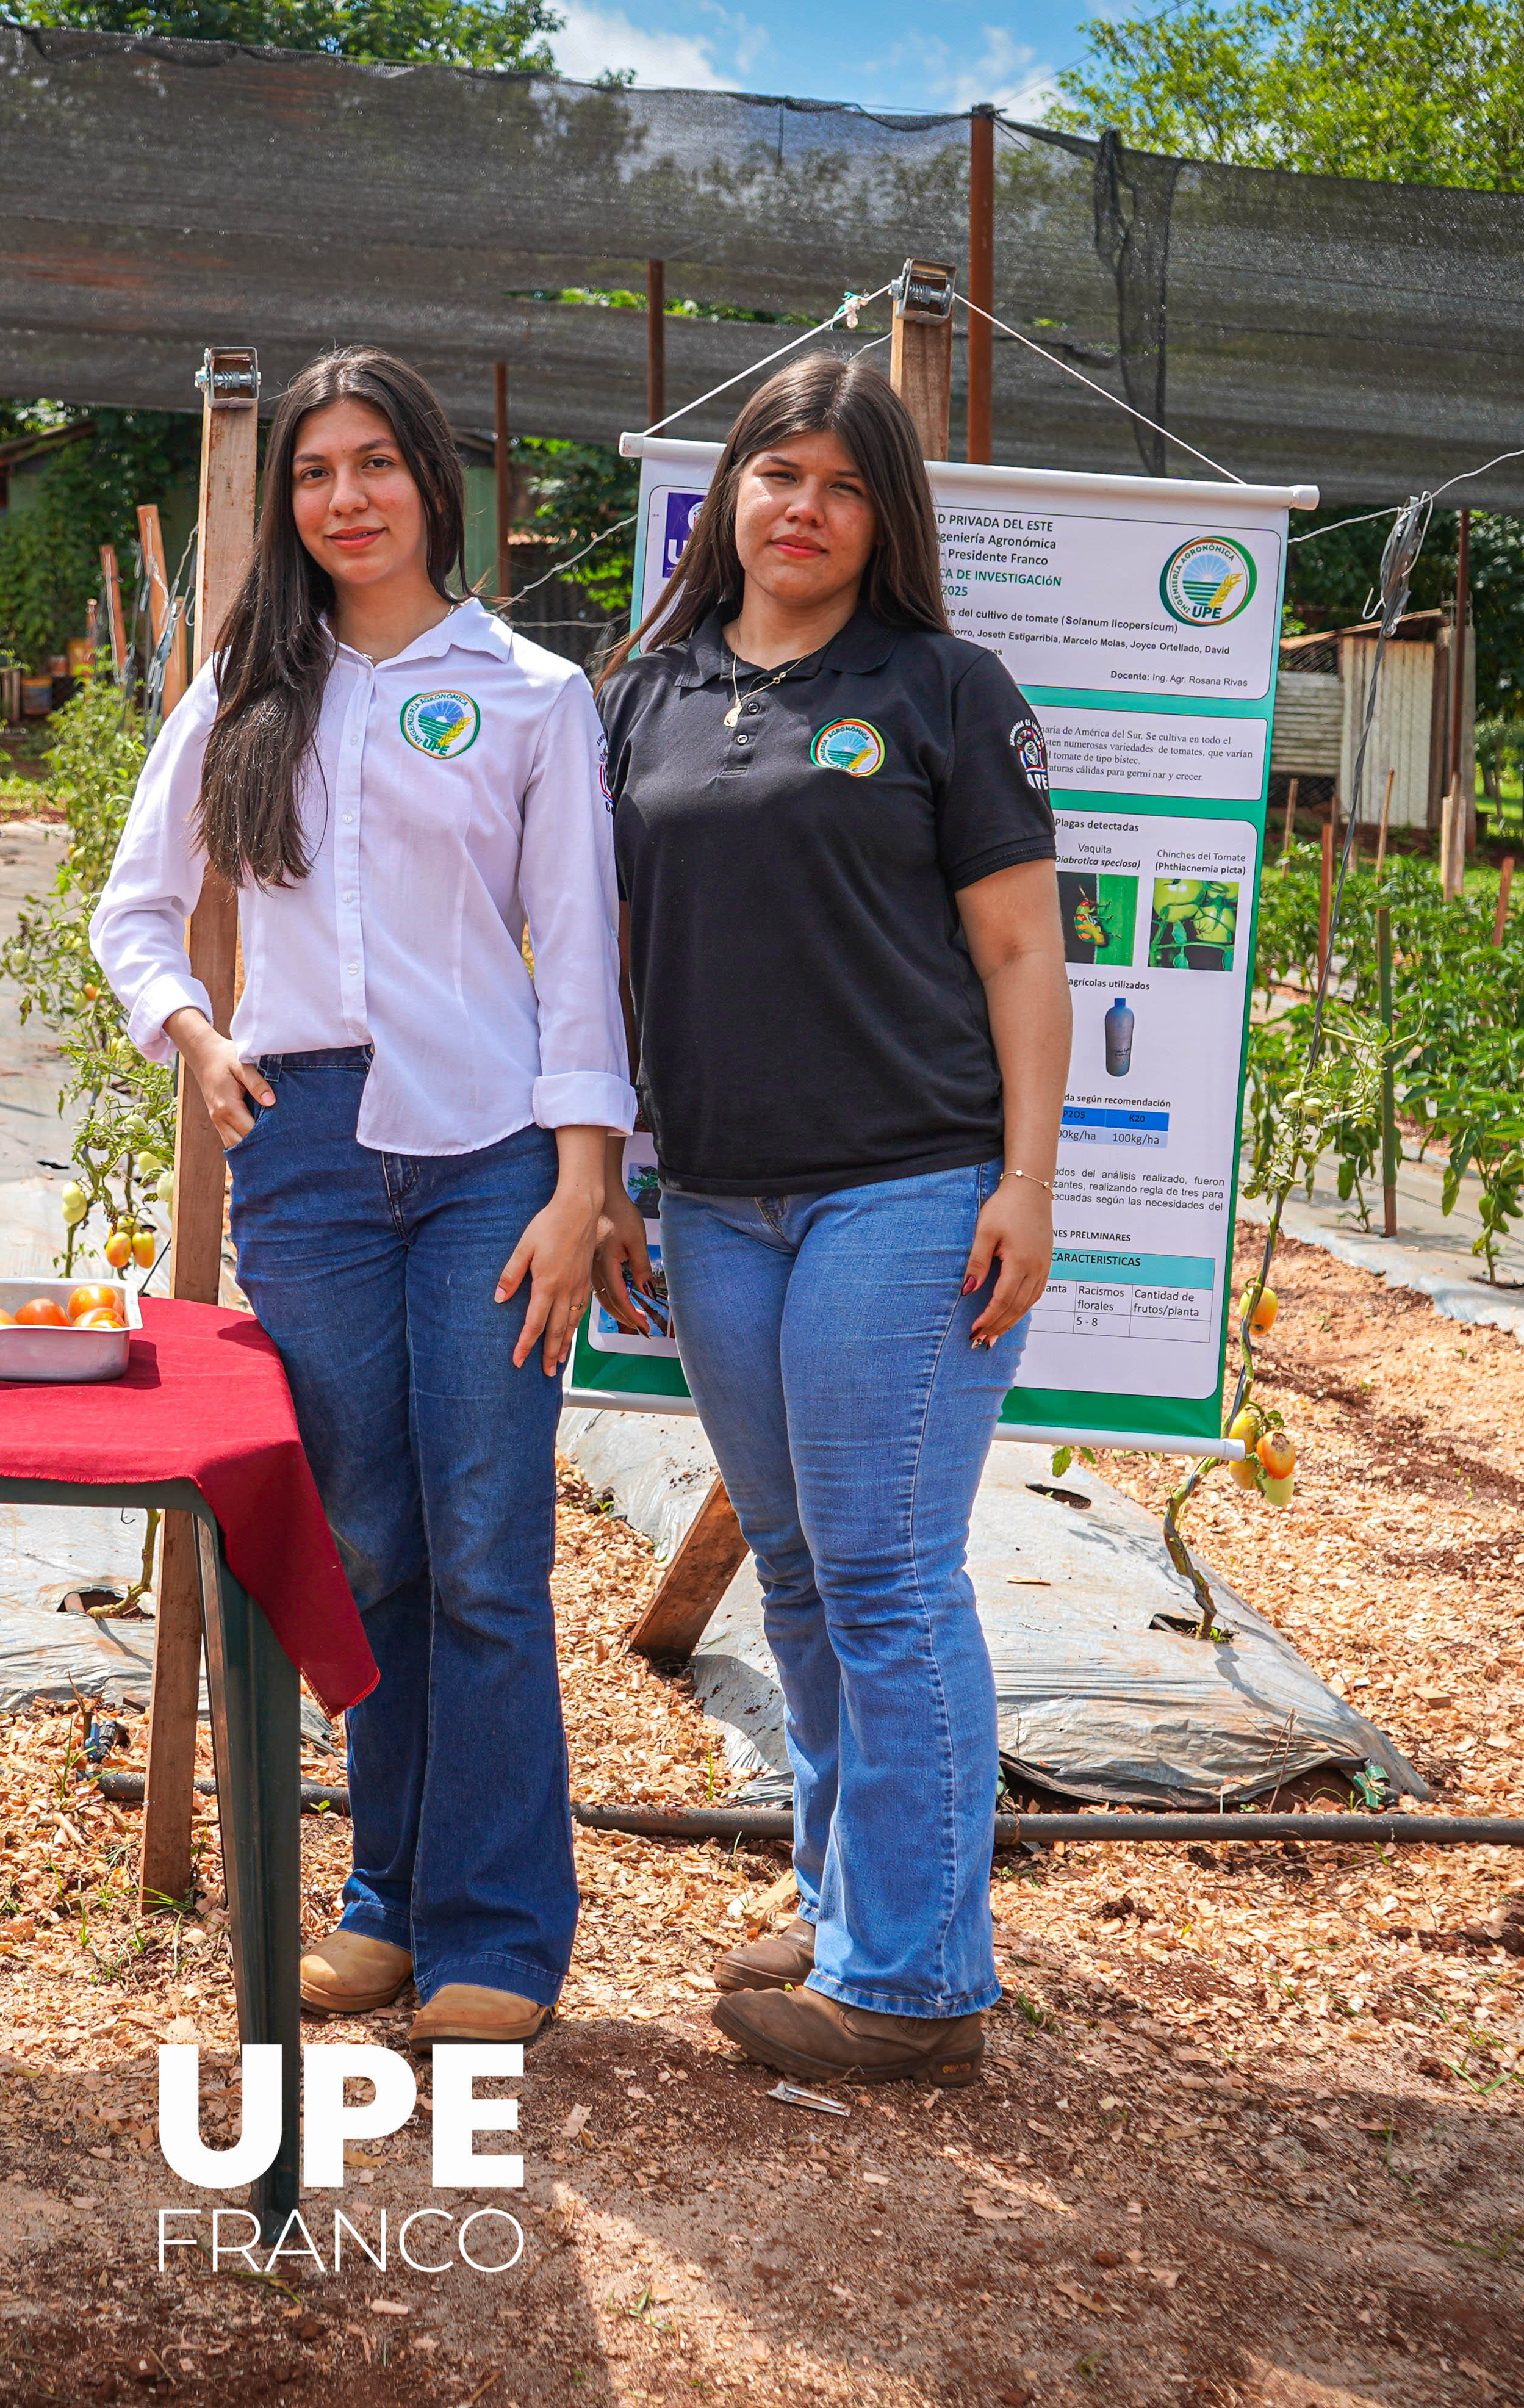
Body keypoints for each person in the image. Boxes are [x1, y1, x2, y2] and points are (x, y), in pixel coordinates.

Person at [93, 348, 634, 2049]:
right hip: (310, 1154)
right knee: (367, 1545)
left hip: (488, 1161)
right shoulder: (246, 693)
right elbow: (133, 911)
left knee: (485, 1550)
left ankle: (501, 1931)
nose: (346, 496)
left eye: (375, 463)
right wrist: (192, 1032)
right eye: (317, 471)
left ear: (434, 485)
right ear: (289, 501)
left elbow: (583, 965)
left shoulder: (537, 693)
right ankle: (387, 1900)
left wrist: (582, 1183)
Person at [597, 356, 1067, 2088]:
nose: (801, 507)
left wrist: (1027, 1179)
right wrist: (616, 1167)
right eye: (775, 474)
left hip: (910, 1182)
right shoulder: (645, 694)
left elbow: (1022, 953)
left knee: (883, 1573)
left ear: (887, 522)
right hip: (718, 1197)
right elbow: (603, 958)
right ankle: (846, 1894)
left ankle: (919, 1982)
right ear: (726, 497)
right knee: (795, 1574)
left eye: (841, 486)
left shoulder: (944, 689)